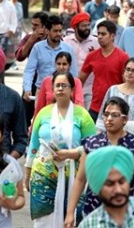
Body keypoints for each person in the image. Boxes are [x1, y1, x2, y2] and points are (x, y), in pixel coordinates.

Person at [25, 71, 96, 227]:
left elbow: (94, 146)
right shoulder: (43, 113)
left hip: (75, 177)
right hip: (43, 176)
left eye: (65, 85)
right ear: (52, 88)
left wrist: (71, 154)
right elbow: (34, 146)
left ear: (72, 90)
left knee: (71, 220)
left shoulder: (82, 115)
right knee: (43, 219)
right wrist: (27, 173)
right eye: (57, 85)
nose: (61, 89)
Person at [65, 97, 134, 227]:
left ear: (125, 119)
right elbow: (80, 179)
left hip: (124, 210)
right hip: (93, 209)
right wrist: (70, 213)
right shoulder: (92, 143)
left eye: (115, 115)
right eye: (106, 114)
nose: (109, 119)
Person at [96, 58, 134, 139]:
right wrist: (99, 137)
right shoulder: (112, 90)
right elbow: (101, 117)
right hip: (111, 139)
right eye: (128, 69)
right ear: (124, 71)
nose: (130, 73)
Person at [80, 20, 128, 121]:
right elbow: (80, 81)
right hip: (95, 107)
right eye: (98, 34)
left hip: (115, 108)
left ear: (112, 36)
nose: (100, 37)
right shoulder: (92, 56)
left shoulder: (123, 57)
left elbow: (127, 84)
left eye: (103, 34)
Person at [23, 15, 77, 102]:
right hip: (41, 92)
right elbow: (29, 70)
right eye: (55, 31)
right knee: (40, 115)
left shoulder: (68, 48)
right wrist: (27, 89)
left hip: (62, 91)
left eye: (60, 31)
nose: (59, 34)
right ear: (47, 31)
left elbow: (73, 73)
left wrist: (73, 93)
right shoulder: (38, 47)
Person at [15, 11, 48, 128]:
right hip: (31, 82)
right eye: (32, 24)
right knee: (24, 115)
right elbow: (19, 56)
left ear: (44, 27)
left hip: (48, 83)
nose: (33, 27)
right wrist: (31, 40)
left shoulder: (52, 40)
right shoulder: (29, 38)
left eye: (36, 25)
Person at [63, 12, 99, 110]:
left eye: (88, 25)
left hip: (89, 89)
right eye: (83, 26)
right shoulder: (66, 42)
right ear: (75, 27)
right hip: (69, 87)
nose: (87, 28)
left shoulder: (96, 42)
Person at [34, 52, 84, 119]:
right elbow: (39, 107)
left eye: (64, 64)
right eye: (58, 64)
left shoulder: (76, 82)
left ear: (69, 65)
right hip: (48, 120)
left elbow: (79, 103)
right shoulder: (47, 81)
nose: (61, 67)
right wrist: (34, 127)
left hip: (69, 119)